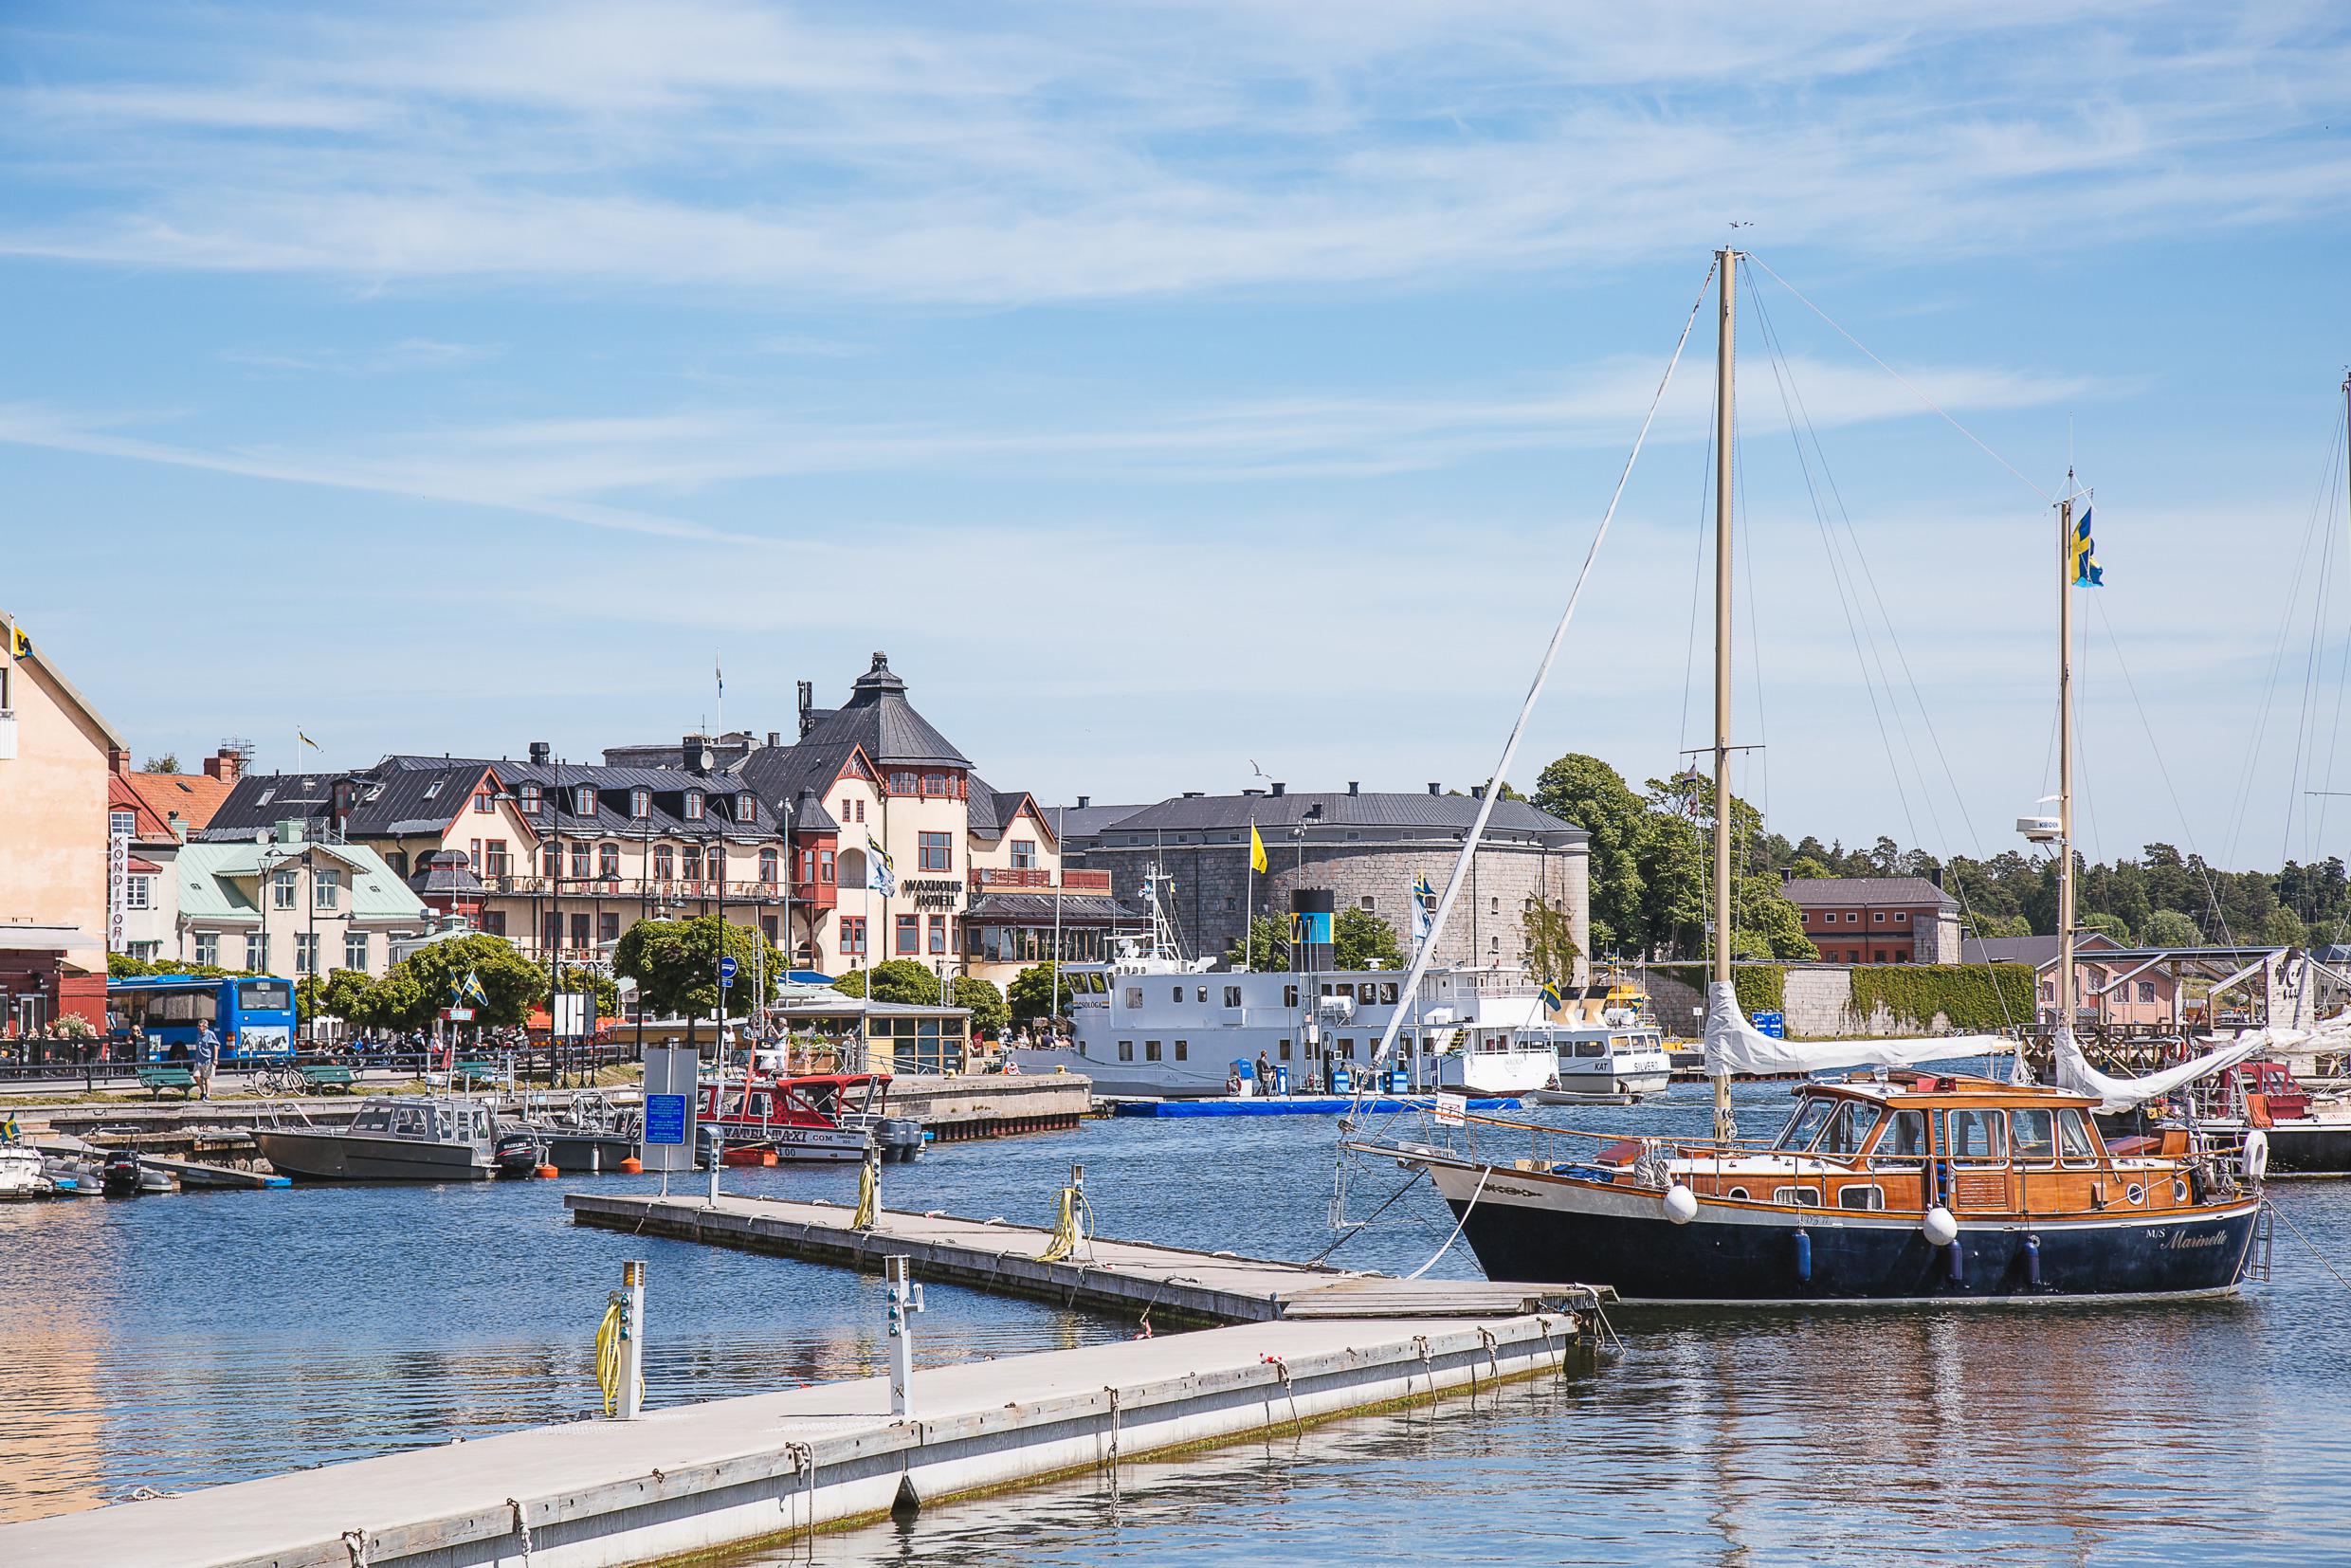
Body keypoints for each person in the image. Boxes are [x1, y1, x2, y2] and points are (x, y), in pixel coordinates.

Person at [193, 1021, 220, 1102]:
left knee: (206, 1078)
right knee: (196, 1076)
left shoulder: (210, 1034)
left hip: (207, 1060)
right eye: (198, 1026)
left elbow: (216, 1046)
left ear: (205, 1026)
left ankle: (208, 1094)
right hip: (198, 1060)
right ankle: (203, 1091)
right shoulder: (198, 1035)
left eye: (200, 1026)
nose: (198, 1027)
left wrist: (215, 1058)